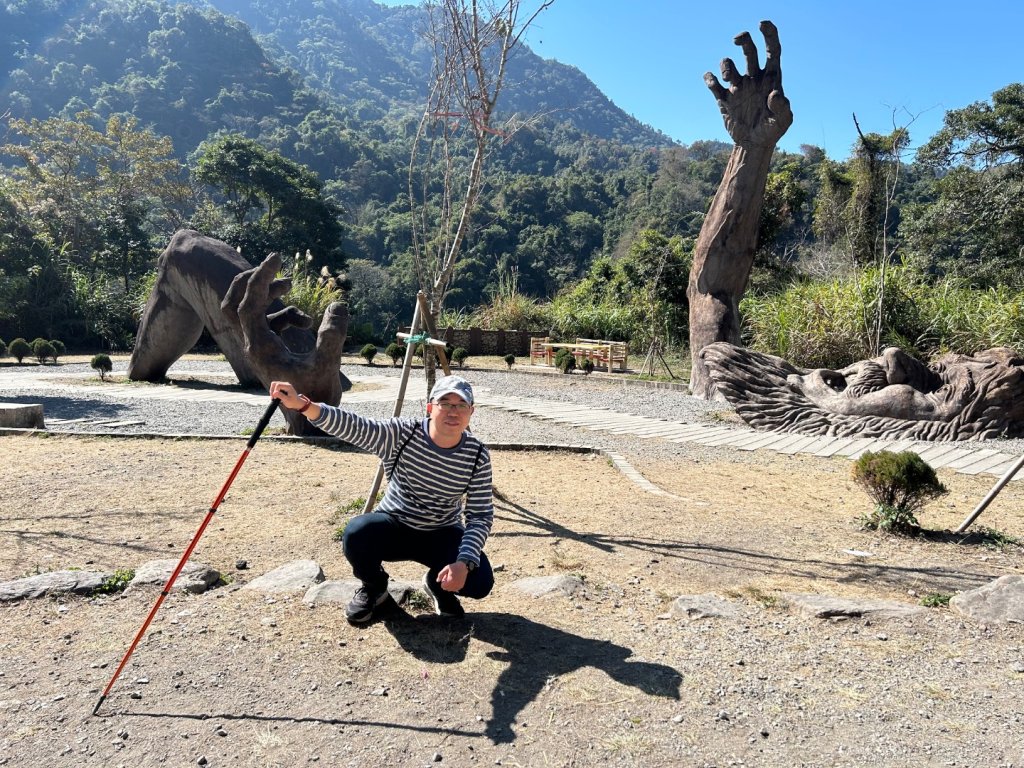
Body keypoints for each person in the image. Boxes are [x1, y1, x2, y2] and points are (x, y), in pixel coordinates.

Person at [268, 375, 494, 623]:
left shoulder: (477, 455)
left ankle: (437, 585)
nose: (454, 411)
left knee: (480, 580)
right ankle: (375, 588)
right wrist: (303, 405)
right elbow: (356, 426)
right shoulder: (402, 433)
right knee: (357, 533)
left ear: (471, 411)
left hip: (441, 531)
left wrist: (463, 562)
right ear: (430, 407)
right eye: (446, 403)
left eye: (462, 405)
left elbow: (480, 516)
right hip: (395, 525)